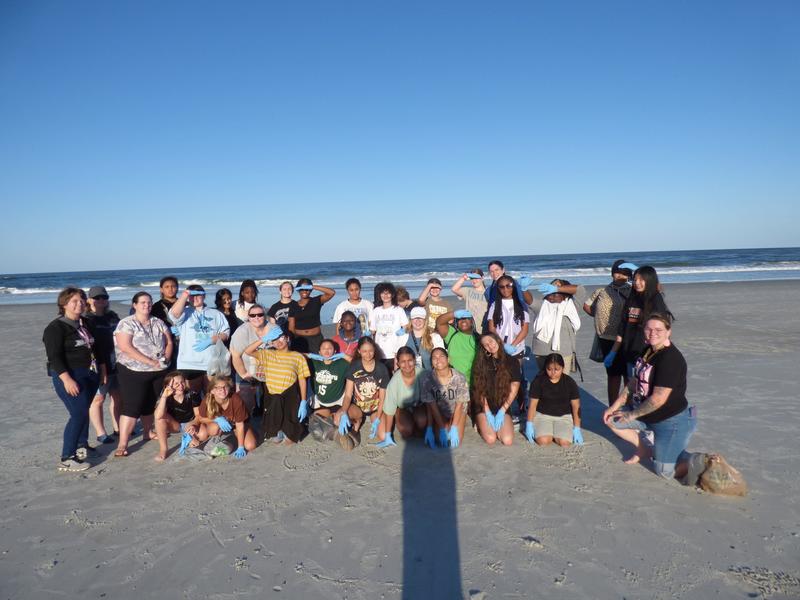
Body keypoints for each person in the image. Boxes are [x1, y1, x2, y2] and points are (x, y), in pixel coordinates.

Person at [603, 314, 696, 480]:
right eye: (649, 329)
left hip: (670, 422)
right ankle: (644, 448)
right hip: (647, 415)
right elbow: (633, 383)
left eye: (658, 329)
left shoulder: (671, 359)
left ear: (668, 332)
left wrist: (630, 415)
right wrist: (614, 407)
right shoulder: (648, 350)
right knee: (610, 419)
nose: (653, 333)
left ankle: (702, 460)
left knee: (664, 472)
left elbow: (658, 399)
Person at [43, 287, 106, 472]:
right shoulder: (55, 328)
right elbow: (54, 357)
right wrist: (67, 379)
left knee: (84, 411)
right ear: (64, 304)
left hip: (91, 373)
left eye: (81, 300)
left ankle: (82, 446)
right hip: (70, 375)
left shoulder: (86, 323)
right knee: (78, 413)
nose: (79, 304)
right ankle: (66, 457)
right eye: (74, 301)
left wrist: (102, 370)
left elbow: (98, 349)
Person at [113, 291, 173, 457]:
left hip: (158, 371)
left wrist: (166, 358)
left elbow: (168, 341)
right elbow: (125, 347)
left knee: (150, 404)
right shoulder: (126, 323)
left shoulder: (158, 321)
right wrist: (150, 362)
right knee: (132, 407)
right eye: (142, 302)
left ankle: (148, 432)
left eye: (149, 302)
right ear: (135, 305)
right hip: (133, 371)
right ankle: (122, 443)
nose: (146, 305)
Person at [245, 327, 310, 445]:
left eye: (281, 338)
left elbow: (302, 380)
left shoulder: (298, 356)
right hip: (272, 397)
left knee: (290, 441)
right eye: (274, 340)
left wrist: (303, 402)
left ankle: (289, 429)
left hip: (290, 398)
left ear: (287, 338)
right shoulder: (267, 354)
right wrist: (263, 339)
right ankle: (277, 430)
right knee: (274, 439)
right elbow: (248, 351)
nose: (278, 342)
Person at [583, 260, 635, 403]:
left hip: (626, 338)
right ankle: (612, 407)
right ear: (612, 273)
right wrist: (598, 316)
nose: (620, 276)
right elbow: (586, 305)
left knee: (628, 375)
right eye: (617, 272)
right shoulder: (601, 291)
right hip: (606, 338)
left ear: (629, 276)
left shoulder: (633, 291)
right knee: (613, 375)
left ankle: (628, 407)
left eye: (625, 273)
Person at [605, 266, 672, 376]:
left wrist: (663, 352)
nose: (637, 283)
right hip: (630, 354)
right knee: (632, 389)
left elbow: (664, 328)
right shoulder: (631, 299)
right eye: (635, 279)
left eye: (641, 280)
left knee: (644, 389)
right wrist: (613, 352)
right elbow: (622, 328)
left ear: (649, 281)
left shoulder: (656, 299)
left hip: (648, 356)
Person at [168, 285, 230, 392]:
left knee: (212, 396)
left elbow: (226, 333)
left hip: (211, 363)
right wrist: (185, 294)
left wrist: (212, 340)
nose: (195, 298)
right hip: (188, 364)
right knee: (192, 398)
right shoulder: (184, 312)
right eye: (192, 296)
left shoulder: (216, 314)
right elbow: (174, 314)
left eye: (198, 295)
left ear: (204, 296)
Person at [335, 336, 390, 446]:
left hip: (375, 408)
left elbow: (383, 398)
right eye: (364, 351)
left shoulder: (382, 368)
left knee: (383, 436)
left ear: (374, 350)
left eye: (370, 351)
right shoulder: (354, 367)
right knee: (338, 419)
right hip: (358, 407)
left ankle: (356, 425)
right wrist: (344, 412)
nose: (368, 354)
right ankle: (357, 422)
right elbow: (348, 395)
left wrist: (378, 418)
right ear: (359, 351)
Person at [84, 285, 121, 443]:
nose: (101, 300)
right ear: (89, 300)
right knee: (98, 399)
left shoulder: (112, 316)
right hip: (98, 365)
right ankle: (101, 433)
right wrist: (100, 367)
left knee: (118, 397)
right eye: (97, 298)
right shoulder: (87, 320)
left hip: (116, 363)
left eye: (104, 298)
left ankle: (118, 428)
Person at [471, 332, 521, 446]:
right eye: (486, 345)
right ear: (484, 349)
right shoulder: (481, 362)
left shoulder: (512, 361)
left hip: (502, 406)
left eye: (491, 341)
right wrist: (487, 411)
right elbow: (479, 389)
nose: (490, 345)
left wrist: (503, 410)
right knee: (490, 438)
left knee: (507, 440)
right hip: (484, 406)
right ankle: (479, 421)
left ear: (498, 340)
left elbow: (514, 387)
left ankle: (501, 420)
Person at [524, 353, 583, 447]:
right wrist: (529, 423)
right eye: (549, 369)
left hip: (564, 417)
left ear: (562, 368)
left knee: (564, 442)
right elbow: (533, 405)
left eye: (557, 369)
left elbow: (576, 406)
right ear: (545, 368)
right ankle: (545, 430)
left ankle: (559, 431)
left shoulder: (569, 382)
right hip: (543, 415)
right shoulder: (538, 381)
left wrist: (577, 428)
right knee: (543, 441)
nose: (553, 372)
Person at [529, 278, 585, 372]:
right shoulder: (542, 305)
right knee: (545, 381)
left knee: (563, 382)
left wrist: (557, 289)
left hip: (564, 352)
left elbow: (580, 289)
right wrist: (523, 289)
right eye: (553, 286)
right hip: (542, 352)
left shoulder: (572, 305)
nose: (555, 288)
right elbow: (530, 301)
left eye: (559, 286)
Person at [195, 375, 258, 458]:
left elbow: (239, 424)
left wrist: (240, 447)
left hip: (237, 425)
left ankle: (235, 437)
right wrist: (216, 419)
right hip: (217, 425)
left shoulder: (236, 399)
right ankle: (218, 439)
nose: (222, 390)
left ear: (229, 388)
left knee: (250, 446)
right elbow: (200, 418)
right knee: (213, 429)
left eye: (225, 387)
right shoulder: (207, 399)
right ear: (212, 391)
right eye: (218, 388)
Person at [377, 347, 427, 448]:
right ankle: (412, 426)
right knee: (406, 431)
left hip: (419, 406)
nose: (407, 365)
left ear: (414, 360)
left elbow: (431, 402)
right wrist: (387, 434)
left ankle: (420, 427)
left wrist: (430, 427)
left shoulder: (423, 374)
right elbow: (389, 411)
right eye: (403, 362)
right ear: (398, 363)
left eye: (410, 361)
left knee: (422, 422)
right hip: (402, 408)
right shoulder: (394, 383)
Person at [229, 303, 275, 416]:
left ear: (264, 315)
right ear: (248, 317)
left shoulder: (273, 329)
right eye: (253, 315)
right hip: (246, 367)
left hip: (269, 370)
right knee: (245, 400)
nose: (256, 318)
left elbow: (283, 350)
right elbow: (235, 356)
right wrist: (244, 374)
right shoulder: (242, 331)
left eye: (260, 315)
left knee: (270, 403)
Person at [420, 347, 469, 449]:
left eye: (442, 356)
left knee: (455, 443)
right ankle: (441, 427)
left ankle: (455, 424)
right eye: (434, 358)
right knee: (442, 441)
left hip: (457, 410)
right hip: (439, 411)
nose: (438, 360)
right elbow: (431, 406)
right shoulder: (427, 379)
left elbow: (460, 405)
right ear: (431, 362)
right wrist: (439, 428)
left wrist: (454, 427)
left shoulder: (459, 377)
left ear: (448, 359)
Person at [153, 371, 202, 461]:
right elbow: (157, 416)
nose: (181, 386)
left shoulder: (192, 394)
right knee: (160, 419)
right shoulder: (165, 396)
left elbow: (198, 415)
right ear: (168, 386)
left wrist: (193, 424)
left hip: (191, 423)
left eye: (182, 382)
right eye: (176, 384)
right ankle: (163, 449)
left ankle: (190, 437)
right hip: (175, 425)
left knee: (198, 443)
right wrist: (164, 397)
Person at [369, 282, 409, 373]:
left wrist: (403, 330)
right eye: (383, 293)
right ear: (379, 295)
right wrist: (367, 332)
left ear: (392, 294)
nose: (385, 295)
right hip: (380, 351)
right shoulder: (376, 311)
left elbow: (406, 326)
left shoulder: (398, 310)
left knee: (395, 376)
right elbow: (372, 330)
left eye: (388, 293)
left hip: (394, 351)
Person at [288, 278, 336, 353]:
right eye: (302, 289)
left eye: (307, 289)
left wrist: (313, 286)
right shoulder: (293, 305)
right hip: (299, 340)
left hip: (315, 339)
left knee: (317, 361)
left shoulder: (316, 301)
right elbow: (291, 327)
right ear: (298, 290)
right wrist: (291, 341)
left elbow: (331, 292)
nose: (305, 291)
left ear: (310, 290)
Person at [487, 275, 530, 357]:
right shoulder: (494, 305)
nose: (505, 289)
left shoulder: (521, 305)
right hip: (498, 346)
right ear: (498, 289)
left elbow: (524, 330)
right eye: (501, 287)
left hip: (517, 348)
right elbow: (491, 328)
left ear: (513, 286)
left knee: (516, 370)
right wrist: (503, 345)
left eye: (508, 286)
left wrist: (513, 345)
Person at [435, 309, 479, 386]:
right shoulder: (451, 334)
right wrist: (454, 314)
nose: (463, 321)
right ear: (456, 323)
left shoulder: (479, 339)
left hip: (474, 384)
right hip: (453, 384)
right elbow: (439, 322)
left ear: (472, 321)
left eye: (466, 318)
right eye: (460, 319)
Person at [451, 269, 488, 333]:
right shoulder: (467, 291)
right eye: (472, 278)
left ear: (482, 278)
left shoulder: (489, 292)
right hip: (470, 328)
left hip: (484, 328)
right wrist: (463, 278)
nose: (474, 280)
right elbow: (454, 289)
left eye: (477, 278)